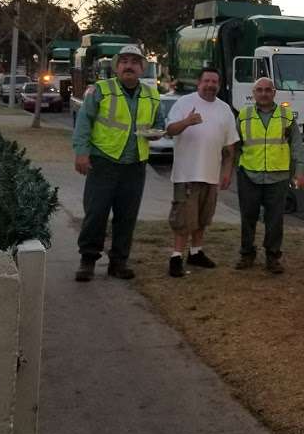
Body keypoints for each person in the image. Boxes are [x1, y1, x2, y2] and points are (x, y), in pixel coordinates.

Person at [72, 44, 163, 282]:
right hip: (104, 162)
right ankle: (88, 261)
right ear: (116, 67)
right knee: (96, 213)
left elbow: (159, 122)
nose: (129, 65)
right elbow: (84, 123)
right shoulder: (101, 90)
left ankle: (119, 262)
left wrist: (157, 132)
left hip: (135, 165)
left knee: (127, 216)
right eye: (124, 61)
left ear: (142, 68)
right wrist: (82, 153)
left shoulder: (152, 94)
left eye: (134, 61)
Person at [164, 67, 239, 278]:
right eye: (207, 81)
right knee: (183, 219)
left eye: (214, 81)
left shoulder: (224, 109)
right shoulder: (184, 103)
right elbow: (169, 130)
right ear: (199, 83)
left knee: (203, 217)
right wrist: (187, 122)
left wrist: (226, 172)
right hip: (186, 174)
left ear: (219, 84)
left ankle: (196, 253)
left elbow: (229, 147)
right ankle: (176, 257)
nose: (210, 85)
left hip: (211, 174)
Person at [235, 76, 304, 273]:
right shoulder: (243, 115)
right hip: (249, 175)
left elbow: (297, 148)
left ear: (274, 93)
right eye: (260, 90)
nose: (264, 93)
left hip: (278, 177)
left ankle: (272, 257)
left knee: (275, 220)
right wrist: (231, 169)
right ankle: (246, 253)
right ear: (254, 93)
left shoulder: (286, 116)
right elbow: (234, 146)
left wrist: (300, 172)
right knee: (247, 217)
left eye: (268, 90)